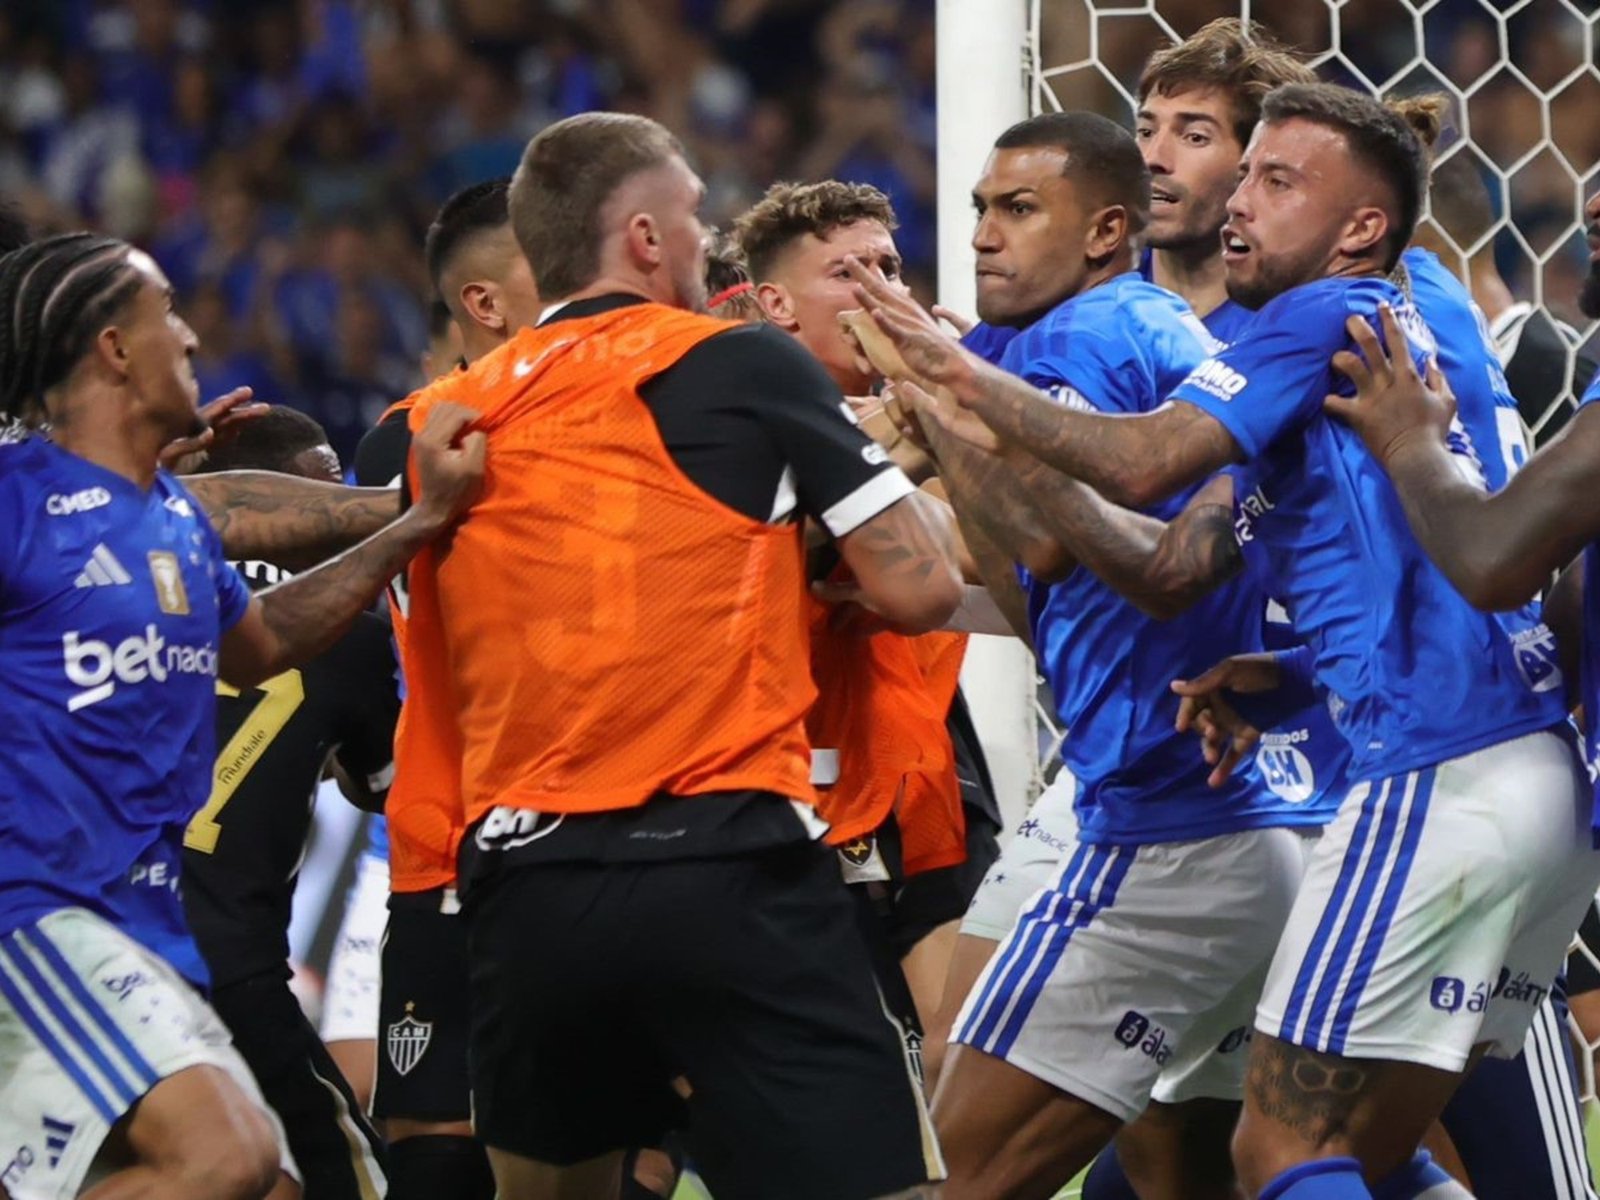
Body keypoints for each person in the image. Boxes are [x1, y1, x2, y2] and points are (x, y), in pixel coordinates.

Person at [850, 82, 1594, 1200]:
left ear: (1360, 227)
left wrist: (954, 376)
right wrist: (1290, 674)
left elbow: (1143, 461)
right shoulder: (1349, 337)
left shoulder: (1317, 313)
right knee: (1344, 1154)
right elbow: (1171, 566)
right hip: (1520, 775)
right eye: (1243, 176)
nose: (1239, 201)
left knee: (1275, 1150)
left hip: (1431, 772)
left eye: (1274, 181)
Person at [400, 110, 960, 1200]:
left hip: (526, 880)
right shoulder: (740, 362)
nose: (708, 241)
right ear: (646, 238)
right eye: (697, 215)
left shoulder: (440, 418)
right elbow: (922, 588)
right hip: (726, 862)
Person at [859, 109, 1324, 1200]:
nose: (984, 234)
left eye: (1020, 209)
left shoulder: (1086, 337)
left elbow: (1038, 537)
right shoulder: (1126, 328)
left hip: (1167, 837)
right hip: (1253, 817)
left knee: (952, 1172)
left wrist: (932, 400)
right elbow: (1039, 596)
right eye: (980, 208)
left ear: (1107, 230)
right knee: (1229, 1168)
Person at [0, 231, 482, 1200]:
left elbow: (260, 640)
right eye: (167, 313)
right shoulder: (17, 503)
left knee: (261, 1182)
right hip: (37, 911)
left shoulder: (168, 517)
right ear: (114, 349)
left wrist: (418, 526)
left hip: (143, 922)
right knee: (228, 1158)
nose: (190, 336)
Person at [733, 178, 1003, 1046]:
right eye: (850, 273)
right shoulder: (740, 423)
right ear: (777, 303)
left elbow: (983, 554)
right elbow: (804, 541)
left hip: (926, 761)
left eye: (890, 266)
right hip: (798, 771)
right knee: (823, 1057)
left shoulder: (934, 415)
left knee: (963, 1050)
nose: (883, 290)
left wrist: (944, 414)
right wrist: (922, 418)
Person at [350, 178, 540, 1200]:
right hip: (458, 840)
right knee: (440, 1136)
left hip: (606, 836)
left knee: (626, 1135)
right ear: (484, 302)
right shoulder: (409, 438)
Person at [181, 405, 396, 1200]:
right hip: (228, 960)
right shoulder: (351, 635)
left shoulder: (139, 582)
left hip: (88, 933)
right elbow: (383, 786)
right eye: (322, 492)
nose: (335, 511)